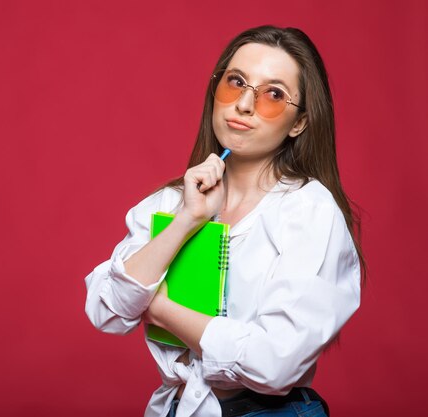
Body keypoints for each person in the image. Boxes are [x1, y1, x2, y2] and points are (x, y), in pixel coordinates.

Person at [84, 25, 364, 417]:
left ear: (299, 122)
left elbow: (275, 363)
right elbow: (107, 310)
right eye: (235, 83)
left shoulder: (308, 210)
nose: (245, 105)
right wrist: (187, 219)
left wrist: (159, 308)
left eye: (273, 94)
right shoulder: (175, 201)